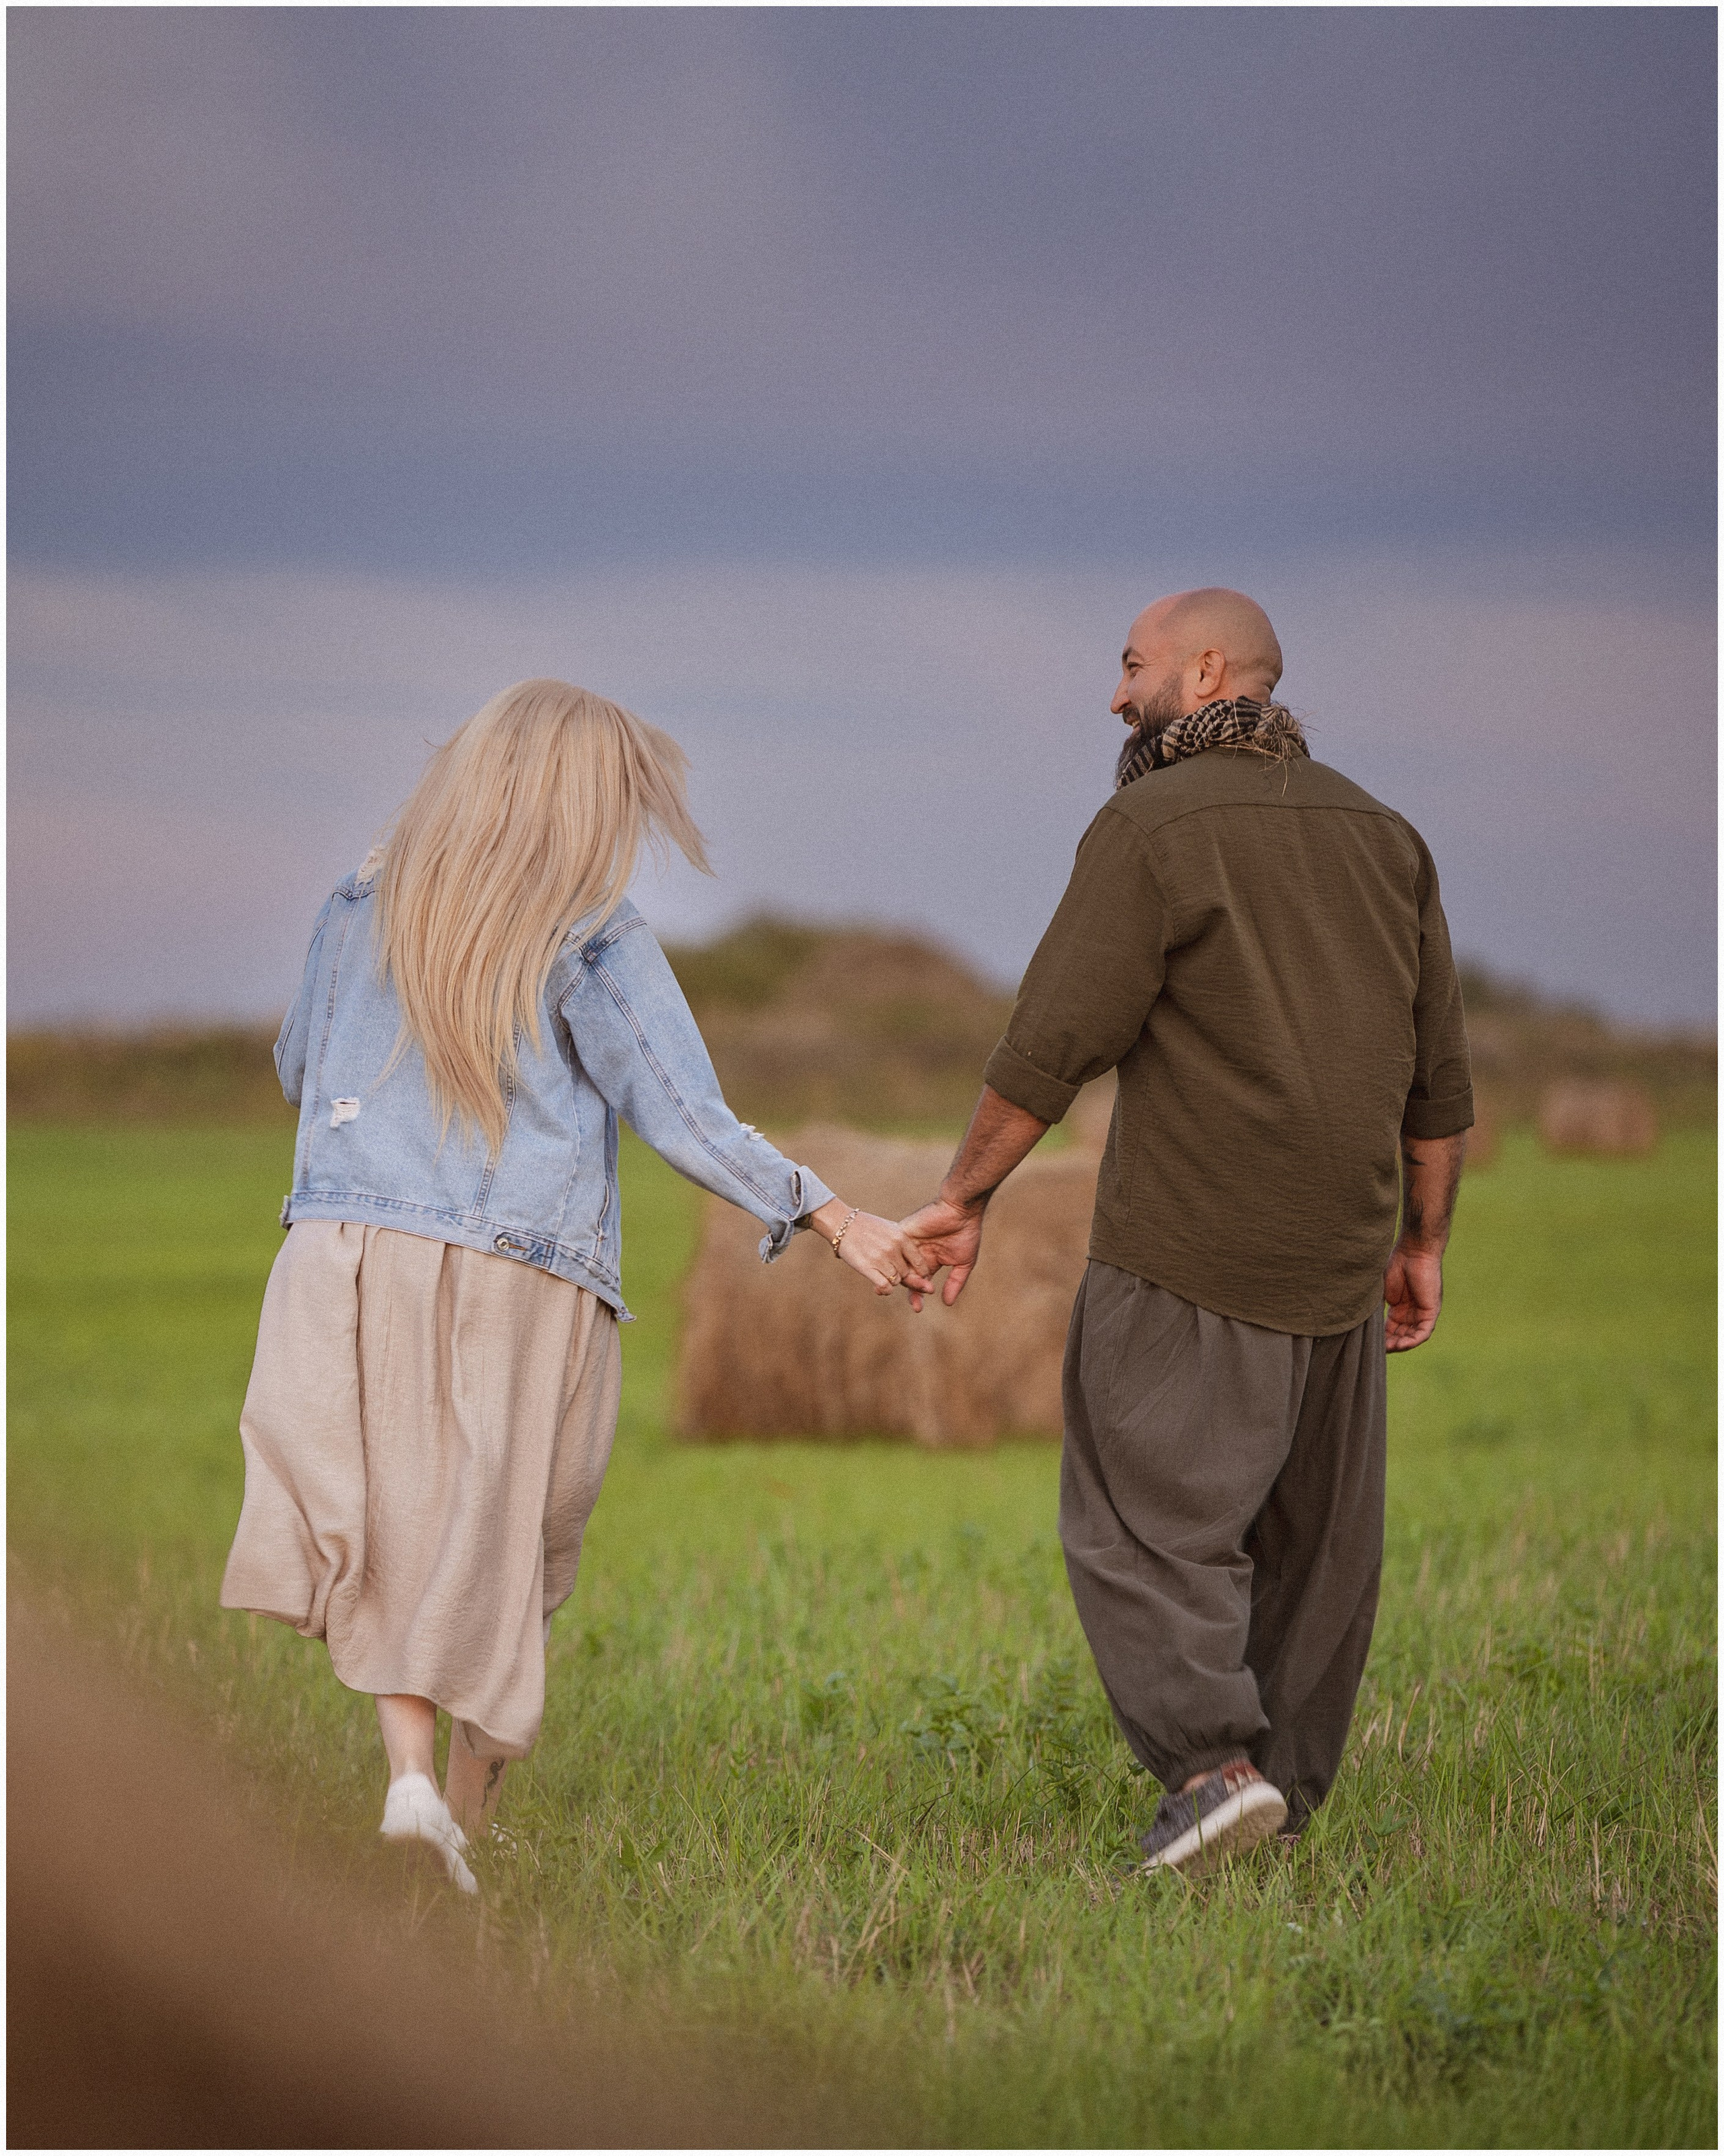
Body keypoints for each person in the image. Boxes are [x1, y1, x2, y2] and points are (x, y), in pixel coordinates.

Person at [222, 679, 931, 1892]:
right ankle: (465, 1823)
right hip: (518, 1271)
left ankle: (407, 1789)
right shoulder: (592, 930)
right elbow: (678, 1106)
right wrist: (831, 1207)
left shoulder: (359, 899)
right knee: (512, 1541)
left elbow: (300, 1062)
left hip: (344, 1255)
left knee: (400, 1528)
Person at [902, 588, 1471, 1874]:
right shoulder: (1389, 836)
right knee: (1318, 1549)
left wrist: (966, 1193)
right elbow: (1440, 1082)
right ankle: (1277, 1801)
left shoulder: (1151, 823)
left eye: (1131, 665)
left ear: (1209, 670)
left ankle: (1212, 1770)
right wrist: (1423, 1243)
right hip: (1339, 1260)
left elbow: (1054, 1039)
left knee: (1141, 1518)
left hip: (1189, 1247)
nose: (1115, 695)